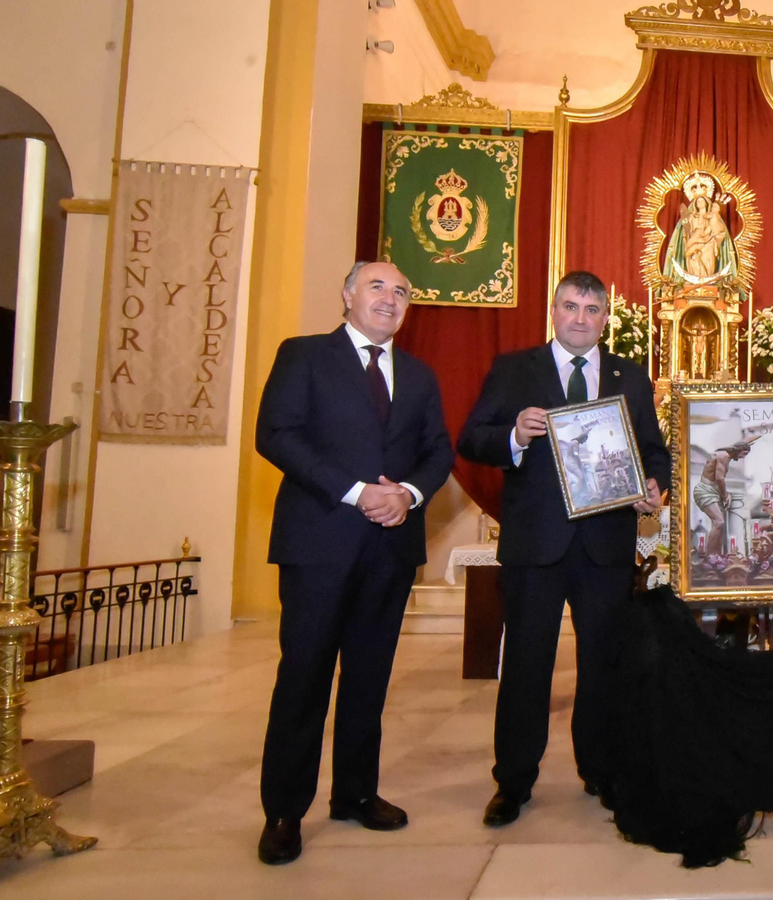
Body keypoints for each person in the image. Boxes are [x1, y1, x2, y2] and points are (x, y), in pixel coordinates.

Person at [253, 261, 455, 865]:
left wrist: (409, 495)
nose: (390, 299)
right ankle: (285, 811)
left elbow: (438, 450)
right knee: (305, 677)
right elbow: (277, 435)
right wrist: (355, 490)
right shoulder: (304, 355)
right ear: (346, 295)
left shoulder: (418, 375)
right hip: (319, 545)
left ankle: (356, 794)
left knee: (369, 678)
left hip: (389, 551)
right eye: (377, 287)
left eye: (401, 292)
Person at [457, 270, 671, 827]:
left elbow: (655, 450)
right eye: (571, 306)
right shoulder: (514, 369)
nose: (581, 318)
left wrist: (654, 484)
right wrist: (514, 435)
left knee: (603, 665)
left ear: (607, 316)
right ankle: (513, 781)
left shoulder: (630, 376)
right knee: (528, 664)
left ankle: (600, 769)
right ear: (553, 311)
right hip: (537, 545)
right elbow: (472, 438)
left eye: (592, 309)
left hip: (605, 544)